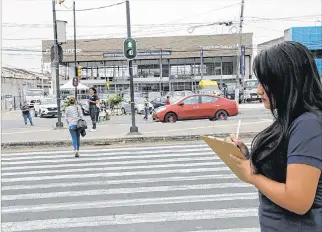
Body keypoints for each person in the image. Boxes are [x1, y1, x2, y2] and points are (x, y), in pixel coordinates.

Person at [229, 41, 322, 232]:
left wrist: (253, 176)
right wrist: (248, 158)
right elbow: (281, 171)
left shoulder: (308, 124)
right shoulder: (292, 119)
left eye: (265, 82)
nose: (259, 90)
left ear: (286, 82)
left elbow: (298, 200)